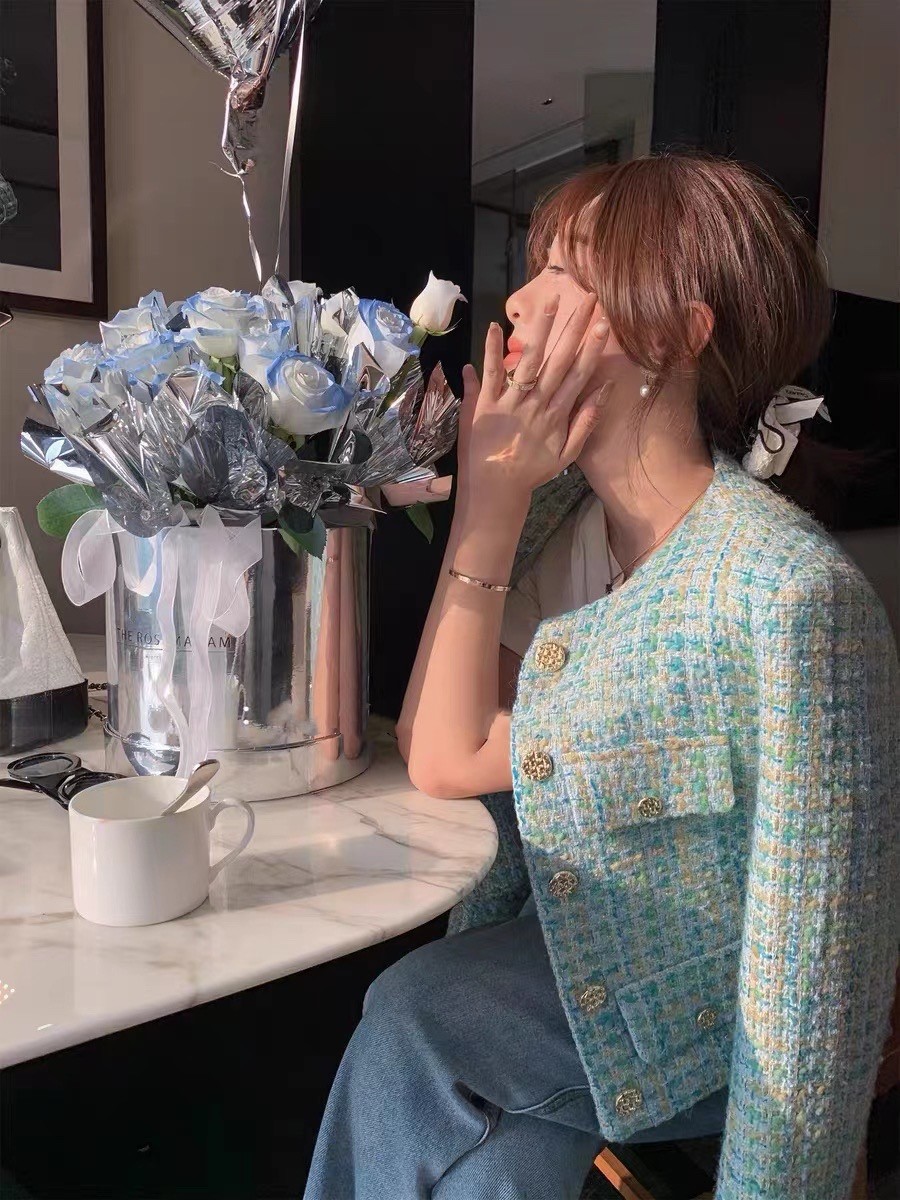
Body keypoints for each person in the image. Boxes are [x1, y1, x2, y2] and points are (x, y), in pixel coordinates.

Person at [302, 152, 899, 1200]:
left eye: (565, 275)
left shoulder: (787, 594)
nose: (519, 302)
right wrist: (493, 504)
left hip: (717, 1027)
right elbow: (442, 741)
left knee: (419, 1013)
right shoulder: (552, 524)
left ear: (673, 335)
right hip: (561, 979)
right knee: (485, 1149)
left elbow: (816, 987)